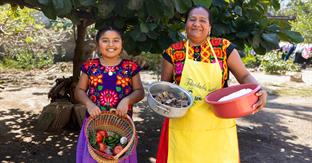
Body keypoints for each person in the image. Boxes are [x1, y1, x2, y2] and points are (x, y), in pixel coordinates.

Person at [156, 5, 267, 163]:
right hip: (184, 126)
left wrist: (259, 90)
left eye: (203, 20)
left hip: (218, 123)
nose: (197, 24)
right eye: (192, 19)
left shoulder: (223, 48)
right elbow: (164, 89)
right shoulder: (173, 52)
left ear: (209, 27)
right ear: (185, 25)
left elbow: (244, 75)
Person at [75, 26, 145, 163]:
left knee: (118, 156)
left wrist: (127, 100)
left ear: (122, 43)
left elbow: (140, 92)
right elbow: (79, 91)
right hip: (94, 125)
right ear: (97, 44)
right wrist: (88, 104)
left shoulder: (130, 67)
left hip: (122, 126)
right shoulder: (90, 66)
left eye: (116, 40)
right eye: (105, 40)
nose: (111, 45)